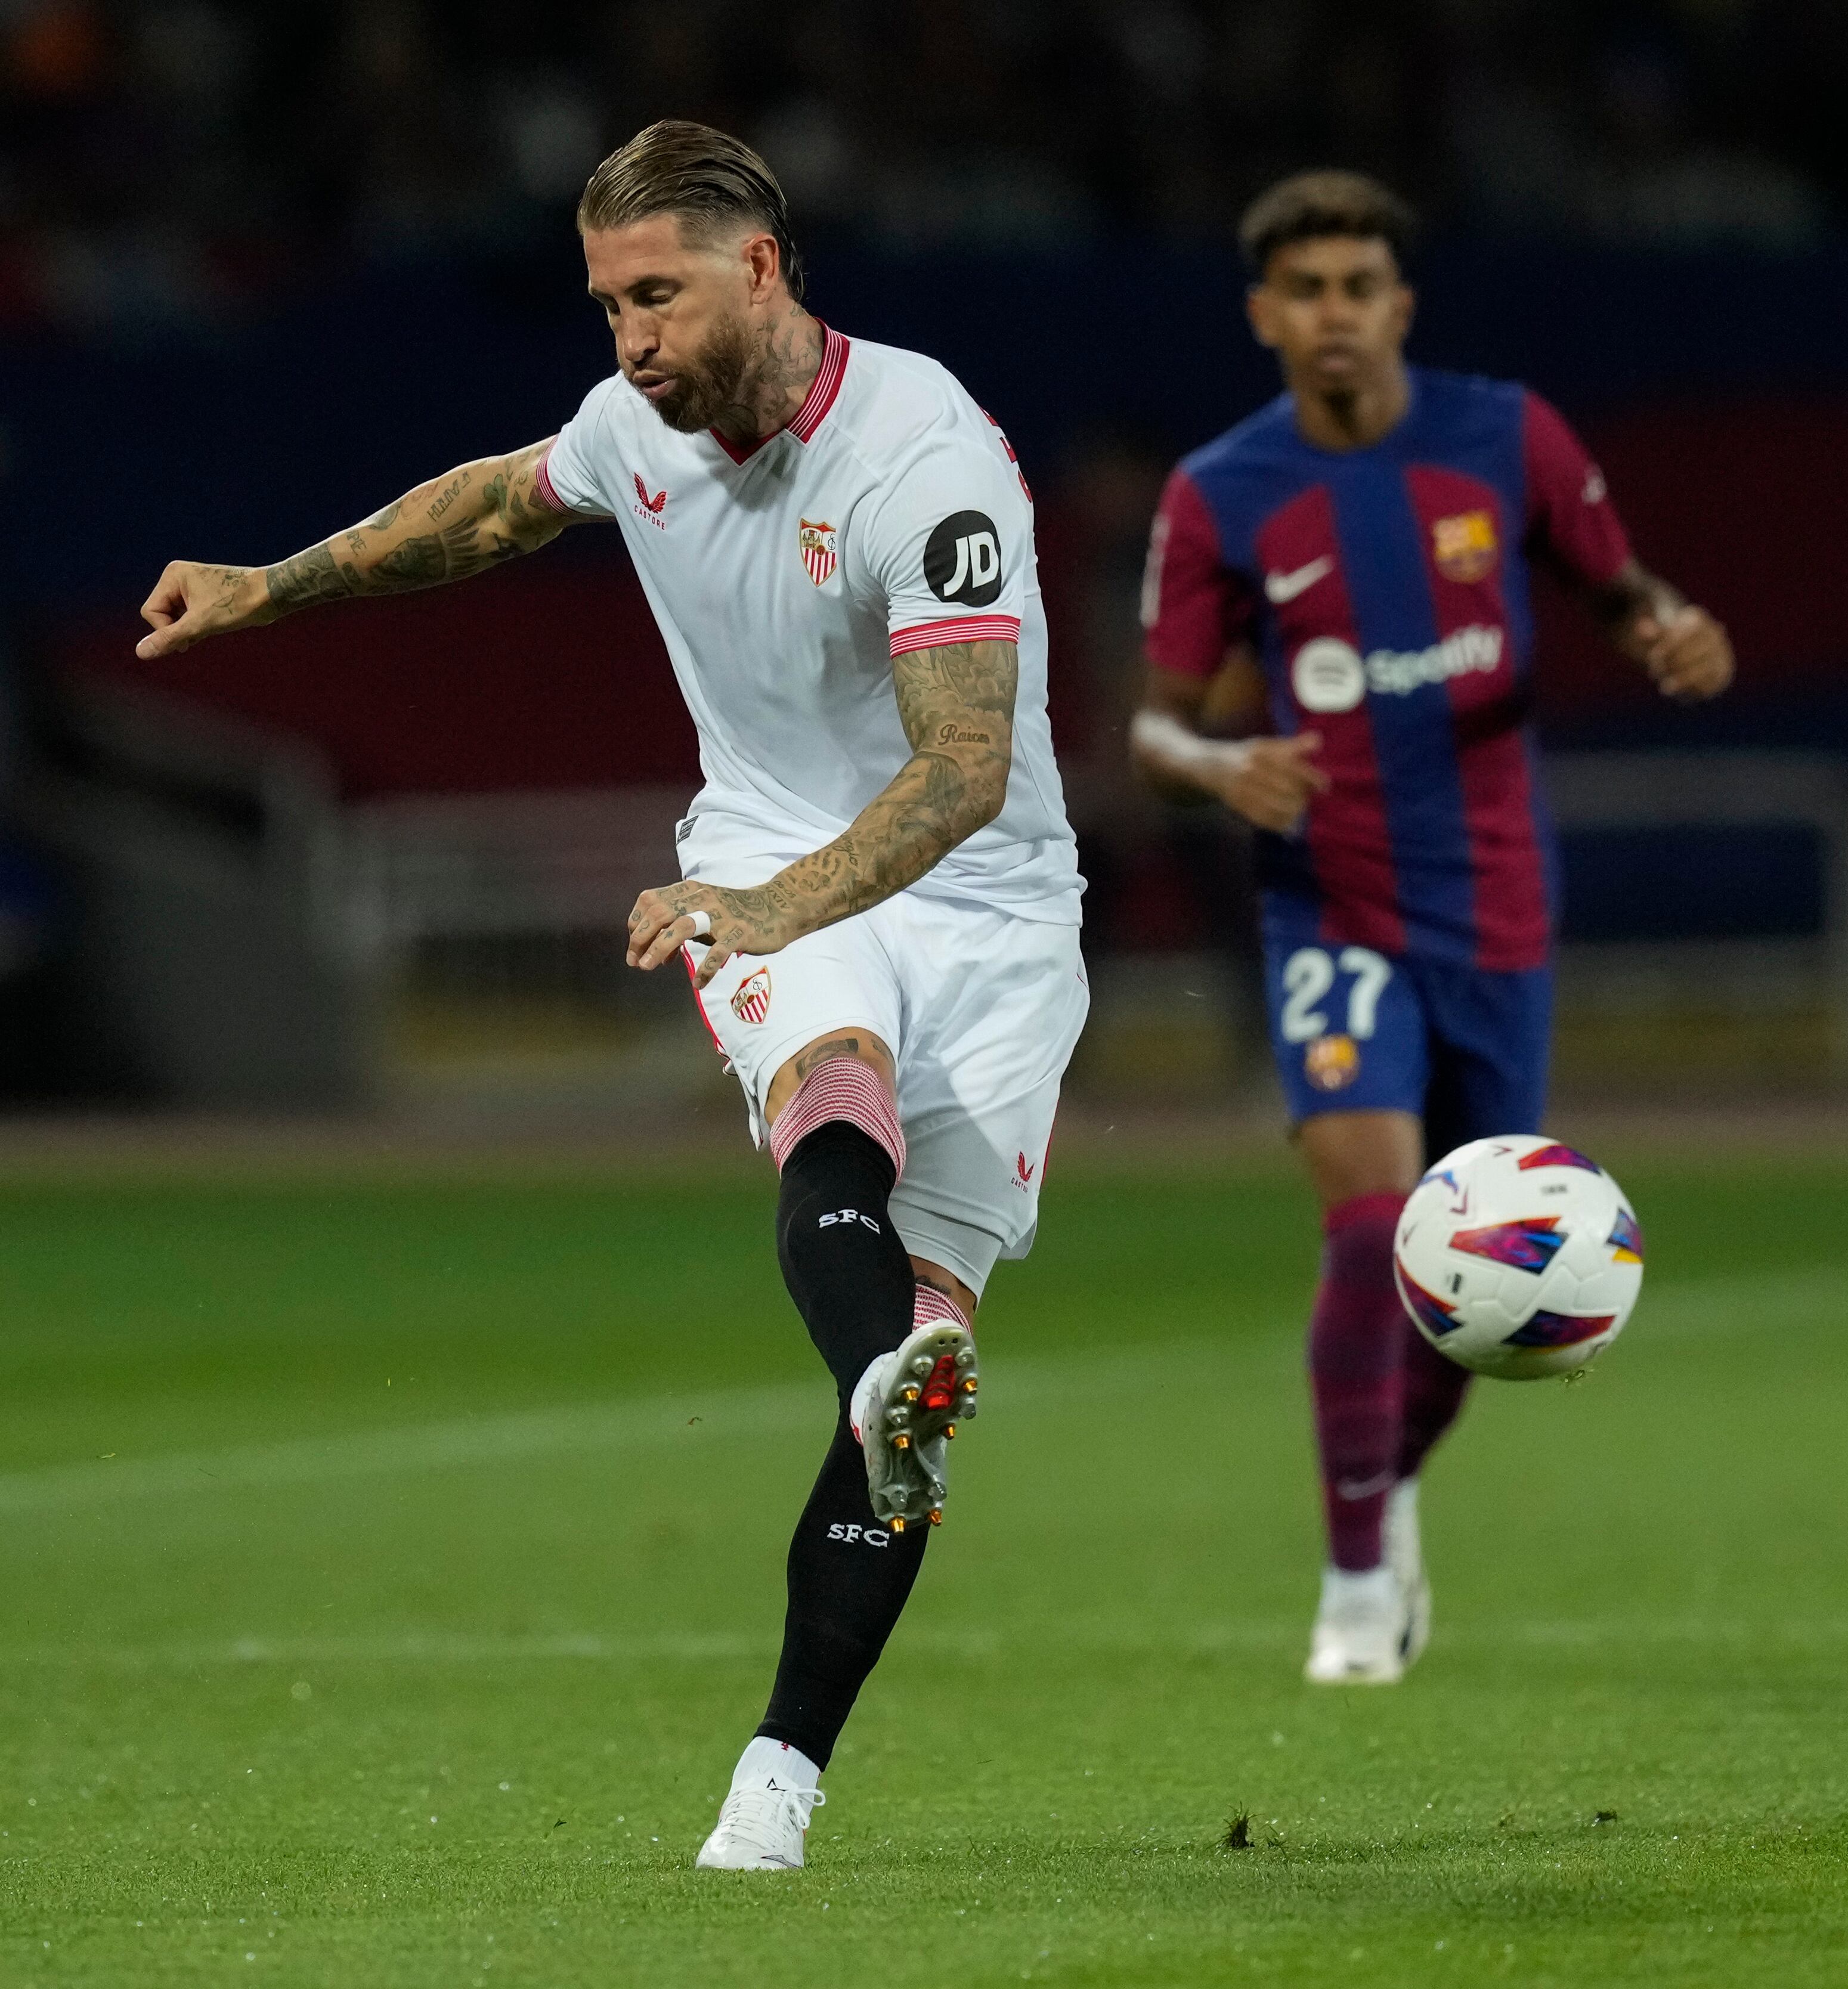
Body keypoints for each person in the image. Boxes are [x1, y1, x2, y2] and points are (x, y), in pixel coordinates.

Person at [133, 121, 1086, 1872]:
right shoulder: (629, 427)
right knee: (834, 1098)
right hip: (772, 852)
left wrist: (758, 903)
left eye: (658, 296)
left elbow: (958, 777)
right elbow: (491, 504)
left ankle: (783, 1763)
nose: (630, 339)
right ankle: (886, 1390)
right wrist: (266, 587)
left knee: (919, 1365)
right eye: (607, 305)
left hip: (992, 910)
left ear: (763, 268)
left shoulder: (924, 460)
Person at [1129, 171, 1735, 1684]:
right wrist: (1222, 764)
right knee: (1366, 1223)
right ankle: (1348, 1580)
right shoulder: (1222, 492)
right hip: (1331, 904)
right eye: (1305, 290)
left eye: (1359, 286)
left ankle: (1386, 1484)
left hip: (1499, 909)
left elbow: (1621, 588)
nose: (1334, 313)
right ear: (1264, 314)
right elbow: (1156, 731)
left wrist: (1669, 625)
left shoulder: (1507, 438)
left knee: (1471, 1283)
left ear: (1401, 303)